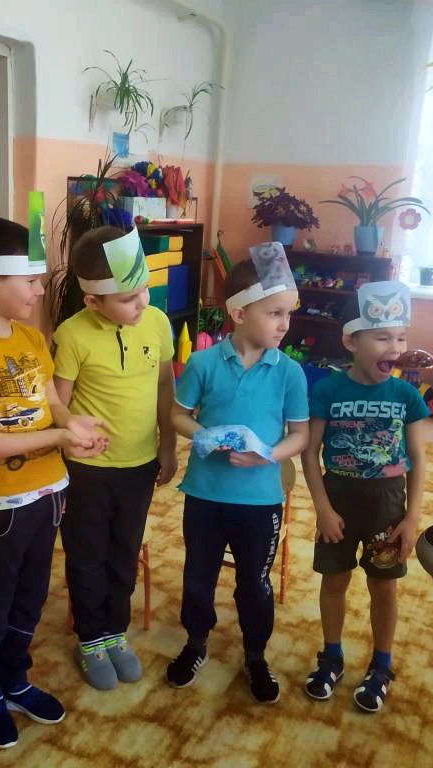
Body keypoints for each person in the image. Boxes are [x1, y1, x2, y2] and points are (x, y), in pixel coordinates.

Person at [0, 213, 104, 749]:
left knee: (31, 597)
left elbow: (53, 403)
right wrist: (57, 437)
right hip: (0, 504)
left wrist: (72, 426)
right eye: (31, 281)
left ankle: (15, 678)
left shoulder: (32, 339)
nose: (40, 290)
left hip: (49, 492)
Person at [167, 243, 309, 703]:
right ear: (239, 313)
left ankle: (255, 655)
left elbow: (301, 435)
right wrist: (202, 435)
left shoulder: (289, 373)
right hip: (205, 494)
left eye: (288, 313)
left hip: (261, 501)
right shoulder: (204, 363)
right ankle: (196, 643)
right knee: (198, 576)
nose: (284, 324)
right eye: (274, 313)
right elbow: (178, 415)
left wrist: (268, 454)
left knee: (255, 583)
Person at [51, 226, 177, 690]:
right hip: (87, 471)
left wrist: (168, 445)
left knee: (125, 553)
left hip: (139, 465)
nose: (142, 302)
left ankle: (114, 632)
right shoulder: (72, 335)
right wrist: (68, 435)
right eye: (128, 298)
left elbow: (165, 387)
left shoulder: (158, 323)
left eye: (144, 289)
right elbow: (57, 403)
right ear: (93, 302)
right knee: (88, 555)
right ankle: (90, 639)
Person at [301, 280, 428, 714]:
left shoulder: (406, 395)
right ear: (351, 341)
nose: (395, 348)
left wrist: (411, 518)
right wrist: (322, 508)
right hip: (338, 499)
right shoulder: (328, 390)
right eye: (382, 338)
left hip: (387, 504)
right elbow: (310, 453)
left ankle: (381, 665)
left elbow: (418, 459)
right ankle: (331, 657)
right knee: (334, 581)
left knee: (384, 587)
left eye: (401, 338)